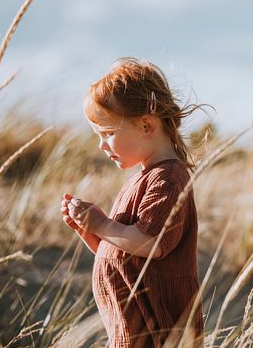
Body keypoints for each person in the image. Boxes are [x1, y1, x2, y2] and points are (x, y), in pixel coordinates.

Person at [59, 57, 210, 347]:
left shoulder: (168, 179)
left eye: (108, 133)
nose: (102, 145)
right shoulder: (140, 180)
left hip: (158, 334)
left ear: (146, 126)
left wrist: (102, 223)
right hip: (130, 334)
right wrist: (91, 231)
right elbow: (126, 255)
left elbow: (150, 243)